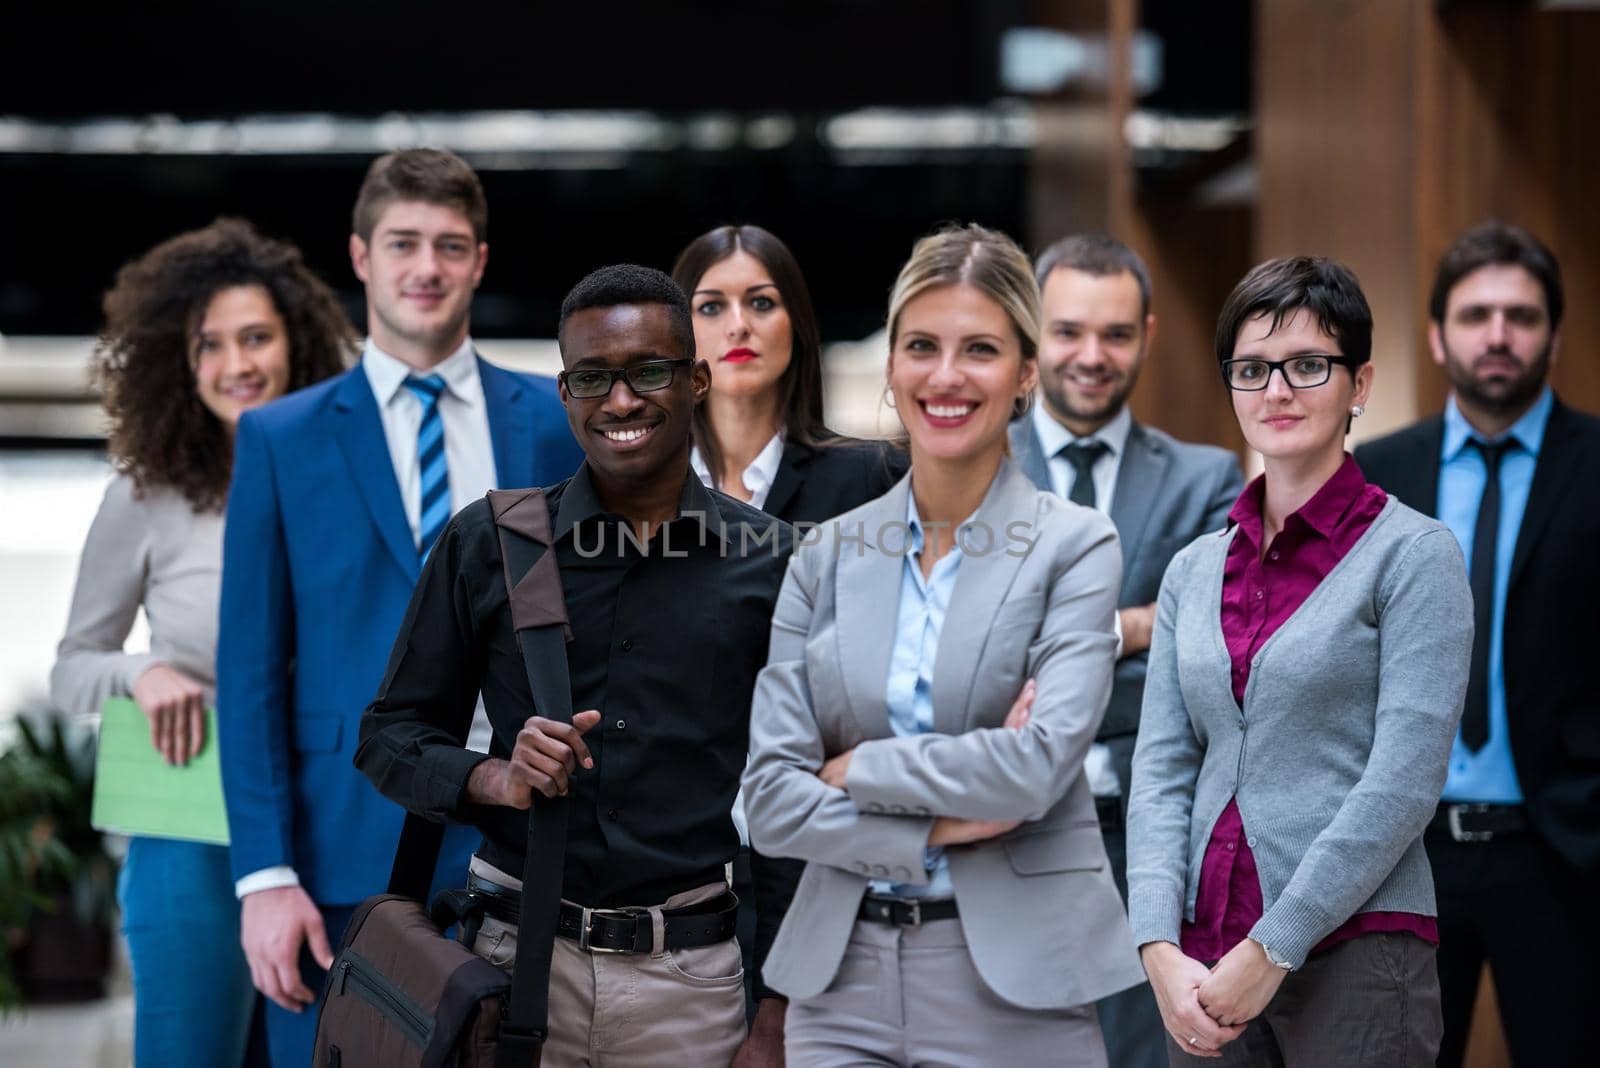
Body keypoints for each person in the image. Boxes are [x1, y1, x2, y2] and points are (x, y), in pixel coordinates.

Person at [356, 264, 792, 1066]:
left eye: (648, 372)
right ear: (566, 394)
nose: (620, 401)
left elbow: (796, 803)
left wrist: (775, 1009)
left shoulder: (771, 560)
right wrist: (494, 778)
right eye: (593, 378)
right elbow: (387, 736)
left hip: (692, 986)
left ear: (696, 381)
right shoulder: (489, 543)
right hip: (511, 967)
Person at [743, 223, 1144, 1067]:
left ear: (1027, 372)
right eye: (921, 346)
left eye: (982, 349)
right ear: (890, 364)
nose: (947, 376)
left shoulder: (1075, 545)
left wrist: (857, 770)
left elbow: (1034, 770)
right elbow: (771, 804)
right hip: (838, 987)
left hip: (1015, 990)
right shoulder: (824, 554)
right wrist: (940, 827)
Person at [217, 148, 582, 1066]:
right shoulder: (280, 437)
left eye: (451, 245)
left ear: (481, 262)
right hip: (336, 853)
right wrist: (264, 875)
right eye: (404, 242)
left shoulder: (550, 419)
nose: (427, 267)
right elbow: (251, 671)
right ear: (360, 255)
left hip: (521, 842)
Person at [1128, 256, 1473, 1066]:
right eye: (1252, 369)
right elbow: (1162, 773)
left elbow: (1404, 782)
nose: (1277, 391)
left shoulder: (1415, 554)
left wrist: (1272, 946)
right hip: (1201, 967)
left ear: (1360, 385)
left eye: (1308, 365)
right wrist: (1155, 944)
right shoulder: (1192, 569)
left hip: (1355, 955)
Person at [51, 218, 352, 1067]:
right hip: (190, 829)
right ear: (179, 365)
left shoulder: (343, 483)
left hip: (326, 826)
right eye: (209, 345)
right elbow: (72, 668)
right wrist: (144, 672)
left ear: (298, 345)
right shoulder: (146, 497)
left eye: (256, 337)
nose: (236, 364)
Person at [1354, 222, 1600, 1068]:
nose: (1498, 334)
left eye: (1522, 316)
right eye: (1476, 314)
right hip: (1404, 855)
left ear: (1554, 335)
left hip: (1563, 854)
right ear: (1437, 334)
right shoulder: (1377, 477)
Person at [1011, 233, 1242, 1068]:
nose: (1091, 356)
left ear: (1146, 332)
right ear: (1033, 331)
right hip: (1002, 830)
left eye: (1115, 333)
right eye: (1068, 331)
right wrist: (1139, 631)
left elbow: (1207, 658)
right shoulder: (973, 464)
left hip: (1144, 839)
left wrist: (1075, 642)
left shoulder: (1206, 479)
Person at [671, 222, 908, 1013]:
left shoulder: (874, 479)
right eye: (712, 305)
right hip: (676, 862)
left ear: (797, 327)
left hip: (832, 847)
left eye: (761, 302)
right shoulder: (636, 494)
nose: (738, 324)